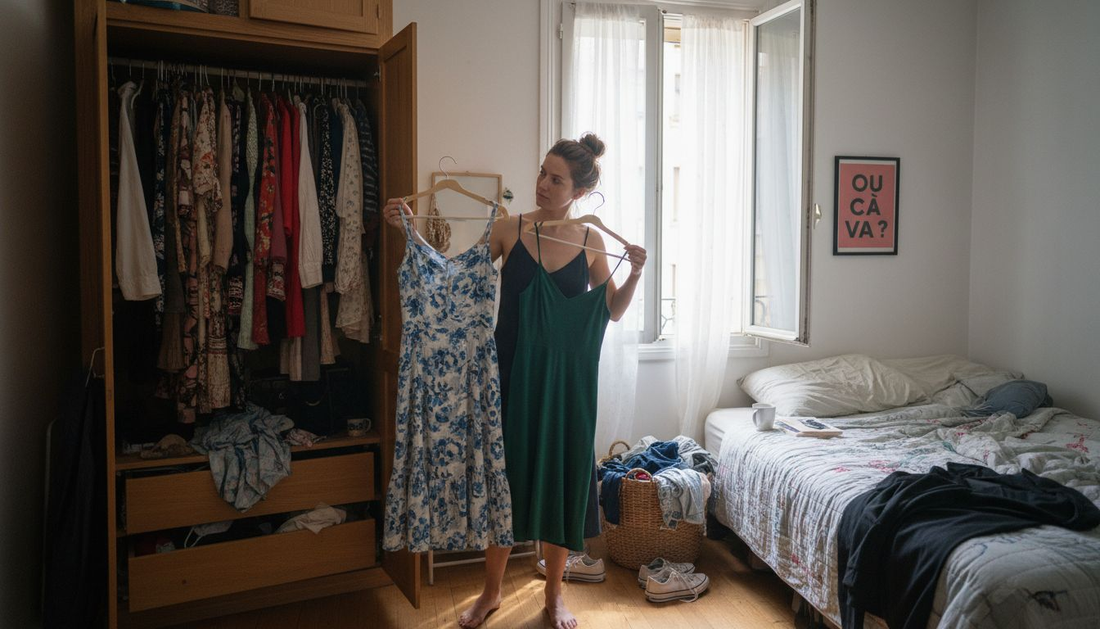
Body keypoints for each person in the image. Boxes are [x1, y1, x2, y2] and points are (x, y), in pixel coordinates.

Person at [383, 133, 646, 629]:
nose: (542, 184)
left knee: (561, 480)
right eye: (542, 173)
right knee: (502, 483)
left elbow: (610, 312)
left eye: (556, 179)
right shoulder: (508, 229)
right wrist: (409, 236)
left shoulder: (591, 241)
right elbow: (454, 283)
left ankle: (553, 596)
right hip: (505, 376)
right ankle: (491, 592)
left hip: (567, 386)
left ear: (579, 193)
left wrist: (633, 275)